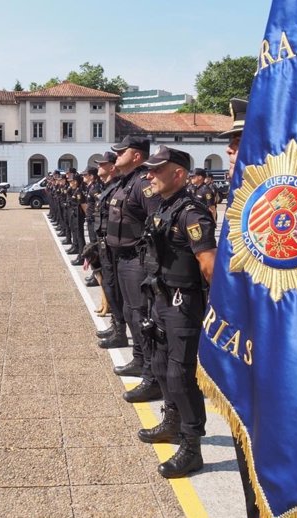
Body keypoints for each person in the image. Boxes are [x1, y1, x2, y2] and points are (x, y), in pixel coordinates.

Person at [137, 145, 217, 478]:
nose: (149, 174)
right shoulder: (163, 206)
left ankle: (191, 445)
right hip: (160, 298)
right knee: (159, 363)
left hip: (183, 303)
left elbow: (209, 264)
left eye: (157, 170)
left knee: (181, 375)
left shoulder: (191, 212)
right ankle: (171, 422)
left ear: (179, 174)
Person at [218, 97, 260, 517]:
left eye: (238, 140)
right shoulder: (243, 197)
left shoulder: (272, 203)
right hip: (243, 344)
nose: (231, 151)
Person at [106, 136, 163, 402]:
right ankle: (139, 360)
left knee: (141, 317)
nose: (116, 155)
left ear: (137, 155)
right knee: (130, 312)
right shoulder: (125, 181)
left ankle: (152, 378)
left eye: (121, 152)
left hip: (137, 259)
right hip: (122, 257)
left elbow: (155, 223)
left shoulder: (143, 184)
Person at [93, 151, 129, 350]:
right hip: (105, 244)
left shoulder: (117, 187)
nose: (99, 166)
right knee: (109, 286)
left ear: (112, 168)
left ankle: (120, 331)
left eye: (103, 164)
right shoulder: (109, 188)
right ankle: (116, 326)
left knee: (114, 288)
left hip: (113, 246)